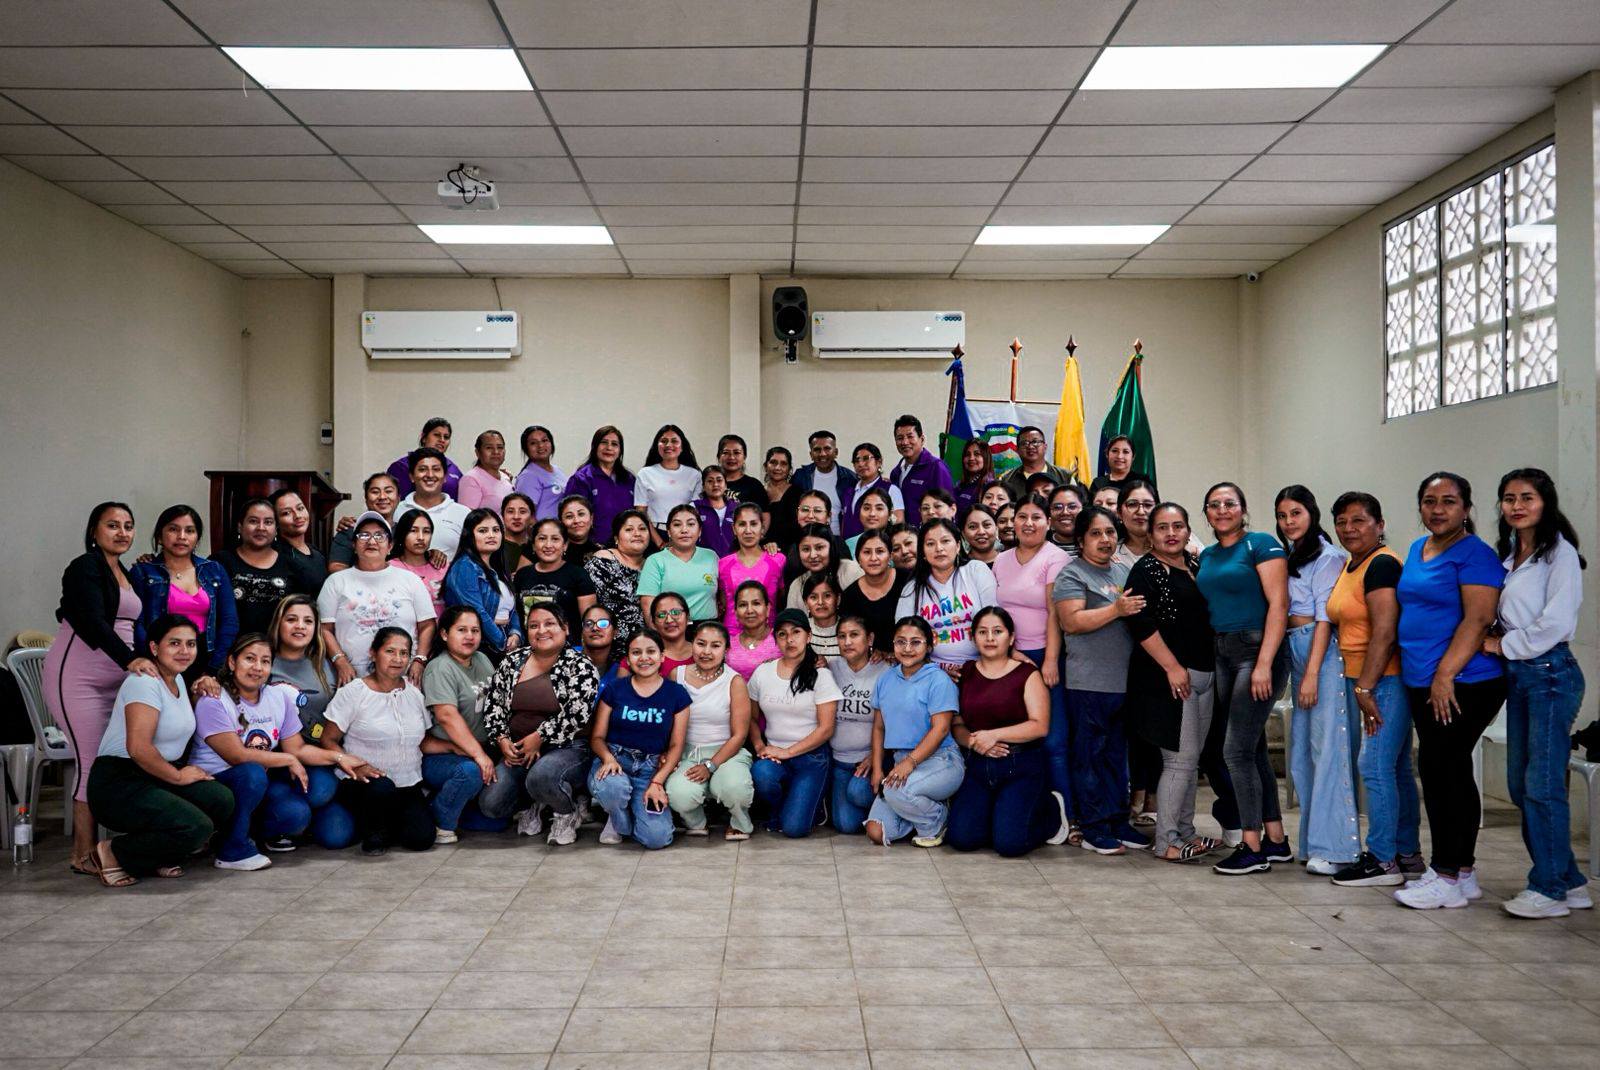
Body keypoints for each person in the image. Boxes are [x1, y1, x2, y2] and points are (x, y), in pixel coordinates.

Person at [1393, 472, 1507, 909]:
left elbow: (1478, 619)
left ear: (1466, 508)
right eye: (1429, 501)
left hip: (1464, 682)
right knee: (1446, 769)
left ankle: (1446, 876)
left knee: (1444, 769)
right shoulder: (1417, 549)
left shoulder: (1475, 554)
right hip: (1423, 679)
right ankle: (1462, 872)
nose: (1437, 509)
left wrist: (1444, 676)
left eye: (1448, 501)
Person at [1488, 468, 1591, 918]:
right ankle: (1570, 881)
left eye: (1527, 497)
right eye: (1509, 498)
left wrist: (1502, 645)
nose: (1517, 506)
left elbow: (1557, 621)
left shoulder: (1559, 553)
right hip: (1521, 676)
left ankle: (1547, 889)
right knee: (1520, 783)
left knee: (1542, 786)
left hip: (1550, 673)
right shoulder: (1511, 553)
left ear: (1545, 502)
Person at [83, 614, 233, 887]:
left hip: (155, 774)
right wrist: (178, 777)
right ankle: (114, 852)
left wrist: (199, 689)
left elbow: (174, 726)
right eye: (174, 643)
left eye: (190, 644)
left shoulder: (178, 680)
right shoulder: (144, 681)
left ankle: (158, 856)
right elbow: (138, 749)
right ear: (154, 647)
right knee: (196, 826)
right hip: (119, 781)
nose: (184, 651)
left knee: (220, 800)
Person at [46, 503, 153, 873]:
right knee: (91, 761)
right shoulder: (84, 567)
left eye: (128, 526)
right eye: (112, 525)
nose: (122, 532)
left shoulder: (126, 572)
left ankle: (119, 845)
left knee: (117, 760)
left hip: (117, 681)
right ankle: (82, 853)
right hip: (79, 678)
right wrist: (129, 660)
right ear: (94, 531)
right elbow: (93, 621)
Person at [1194, 482, 1291, 876]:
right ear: (1206, 513)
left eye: (1229, 503)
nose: (1222, 509)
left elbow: (1279, 605)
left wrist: (1265, 662)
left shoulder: (1261, 545)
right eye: (1213, 504)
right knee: (1252, 749)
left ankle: (1251, 846)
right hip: (1222, 651)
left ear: (1243, 508)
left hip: (1257, 650)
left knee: (1234, 751)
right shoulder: (1208, 555)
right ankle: (1276, 839)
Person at [1326, 492, 1423, 887]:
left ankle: (1383, 860)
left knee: (1375, 766)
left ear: (1379, 525)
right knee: (1395, 767)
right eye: (1342, 522)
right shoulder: (1355, 564)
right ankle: (1406, 854)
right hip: (1367, 678)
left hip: (1384, 679)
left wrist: (1366, 687)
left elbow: (1385, 631)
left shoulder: (1382, 564)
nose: (1349, 529)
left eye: (1359, 520)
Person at [190, 633, 342, 869]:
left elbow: (297, 748)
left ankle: (236, 833)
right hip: (214, 781)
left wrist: (340, 757)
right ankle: (233, 850)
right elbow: (237, 756)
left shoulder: (277, 696)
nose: (257, 667)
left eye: (265, 661)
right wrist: (287, 759)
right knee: (251, 772)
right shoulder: (214, 699)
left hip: (256, 783)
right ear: (232, 662)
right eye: (250, 659)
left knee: (295, 814)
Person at [1125, 502, 1221, 863]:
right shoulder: (1146, 570)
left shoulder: (1195, 566)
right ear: (1150, 534)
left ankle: (1186, 832)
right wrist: (1172, 667)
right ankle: (1166, 841)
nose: (1171, 533)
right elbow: (1140, 624)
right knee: (1179, 761)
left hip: (1203, 675)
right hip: (1168, 680)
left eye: (1177, 526)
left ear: (1188, 531)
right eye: (1162, 527)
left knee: (1191, 761)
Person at [1054, 505, 1149, 853]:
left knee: (1116, 758)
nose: (1105, 539)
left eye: (1110, 532)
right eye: (1095, 533)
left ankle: (1118, 821)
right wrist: (1115, 609)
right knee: (1089, 759)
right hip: (1088, 683)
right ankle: (1094, 827)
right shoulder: (1072, 575)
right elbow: (1071, 622)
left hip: (1125, 682)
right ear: (1081, 540)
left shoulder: (1124, 570)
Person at [1275, 485, 1358, 876]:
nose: (1288, 521)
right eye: (1282, 515)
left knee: (1329, 752)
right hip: (1298, 647)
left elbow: (1325, 618)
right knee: (1304, 757)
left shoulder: (1328, 557)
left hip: (1321, 655)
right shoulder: (1294, 554)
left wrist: (1310, 674)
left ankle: (1338, 849)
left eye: (1296, 513)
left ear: (1312, 513)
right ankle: (1313, 842)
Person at [478, 604, 601, 845]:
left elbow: (577, 714)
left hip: (568, 748)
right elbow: (494, 705)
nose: (541, 630)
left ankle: (567, 812)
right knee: (491, 804)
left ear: (565, 628)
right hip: (519, 749)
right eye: (534, 626)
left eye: (549, 624)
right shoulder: (512, 661)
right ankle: (532, 804)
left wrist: (540, 736)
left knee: (541, 777)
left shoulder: (580, 665)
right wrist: (502, 740)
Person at [948, 607, 1058, 856]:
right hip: (979, 765)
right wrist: (974, 742)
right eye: (982, 632)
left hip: (1020, 765)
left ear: (1011, 638)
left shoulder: (1027, 673)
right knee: (962, 839)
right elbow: (957, 725)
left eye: (997, 631)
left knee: (1010, 845)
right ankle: (1000, 816)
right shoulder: (966, 672)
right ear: (973, 637)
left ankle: (1051, 811)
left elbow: (1040, 725)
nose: (990, 638)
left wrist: (994, 735)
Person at [315, 628, 436, 854]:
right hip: (363, 782)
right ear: (373, 653)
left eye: (404, 653)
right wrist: (353, 765)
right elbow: (328, 739)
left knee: (421, 840)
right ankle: (373, 830)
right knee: (381, 790)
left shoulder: (414, 694)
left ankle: (387, 822)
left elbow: (423, 741)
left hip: (406, 782)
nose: (397, 659)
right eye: (390, 651)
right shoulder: (353, 692)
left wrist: (458, 748)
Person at [992, 496, 1070, 840]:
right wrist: (1010, 653)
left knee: (1054, 742)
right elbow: (996, 613)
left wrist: (1050, 660)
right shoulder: (1001, 559)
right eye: (1021, 516)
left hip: (1044, 656)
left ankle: (1068, 815)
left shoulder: (1056, 557)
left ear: (1048, 522)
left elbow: (1055, 612)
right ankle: (1029, 811)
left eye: (1036, 517)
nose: (1028, 523)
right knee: (1017, 741)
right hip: (1008, 660)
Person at [865, 615, 965, 847]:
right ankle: (920, 811)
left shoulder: (938, 680)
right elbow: (879, 727)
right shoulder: (885, 679)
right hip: (900, 762)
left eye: (916, 642)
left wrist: (910, 762)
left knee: (895, 792)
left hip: (941, 760)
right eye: (901, 642)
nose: (907, 648)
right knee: (876, 831)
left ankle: (937, 819)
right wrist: (878, 769)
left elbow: (940, 729)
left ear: (929, 646)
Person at [588, 628, 691, 849]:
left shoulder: (677, 694)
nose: (644, 658)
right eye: (636, 652)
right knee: (614, 789)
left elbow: (676, 745)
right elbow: (596, 737)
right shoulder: (615, 689)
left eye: (651, 651)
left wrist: (657, 782)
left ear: (662, 656)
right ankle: (617, 816)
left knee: (657, 838)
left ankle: (632, 810)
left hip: (649, 770)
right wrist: (607, 758)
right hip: (616, 761)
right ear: (628, 659)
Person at [748, 609, 841, 836]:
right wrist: (760, 747)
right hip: (774, 754)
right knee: (762, 774)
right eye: (782, 634)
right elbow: (750, 717)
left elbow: (826, 728)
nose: (789, 639)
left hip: (811, 757)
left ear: (808, 636)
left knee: (794, 829)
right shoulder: (763, 672)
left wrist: (788, 752)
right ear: (776, 639)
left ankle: (813, 804)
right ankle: (781, 807)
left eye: (796, 632)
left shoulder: (821, 676)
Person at [317, 511, 436, 687]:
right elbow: (324, 628)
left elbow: (427, 625)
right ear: (354, 545)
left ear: (390, 546)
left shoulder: (410, 580)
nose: (372, 541)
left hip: (402, 677)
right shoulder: (336, 581)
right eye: (364, 535)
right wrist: (339, 660)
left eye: (380, 536)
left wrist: (420, 660)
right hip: (351, 677)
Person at [665, 621, 757, 840]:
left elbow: (739, 735)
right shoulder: (677, 675)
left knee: (735, 788)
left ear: (726, 650)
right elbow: (668, 722)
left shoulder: (734, 681)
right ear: (692, 645)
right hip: (688, 753)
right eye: (701, 644)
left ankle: (740, 822)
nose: (706, 651)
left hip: (727, 753)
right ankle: (696, 821)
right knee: (679, 794)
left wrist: (710, 765)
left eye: (715, 646)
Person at [419, 608, 500, 843]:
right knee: (469, 773)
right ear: (445, 634)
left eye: (475, 630)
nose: (470, 636)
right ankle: (441, 822)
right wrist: (479, 756)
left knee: (497, 821)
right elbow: (447, 716)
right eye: (462, 630)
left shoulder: (482, 659)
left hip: (481, 749)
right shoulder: (439, 668)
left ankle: (453, 807)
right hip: (443, 755)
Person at [130, 504, 237, 676]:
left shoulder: (214, 570)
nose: (182, 537)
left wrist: (213, 669)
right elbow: (137, 622)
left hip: (206, 657)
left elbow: (229, 622)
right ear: (159, 536)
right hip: (161, 659)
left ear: (197, 538)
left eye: (189, 531)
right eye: (173, 529)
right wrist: (150, 659)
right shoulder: (143, 572)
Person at [896, 518, 998, 673]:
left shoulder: (976, 570)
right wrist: (935, 671)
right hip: (931, 671)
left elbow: (996, 621)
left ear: (958, 546)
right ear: (923, 552)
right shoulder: (912, 589)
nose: (939, 548)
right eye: (930, 544)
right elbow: (903, 637)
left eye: (945, 541)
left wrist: (981, 667)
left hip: (983, 666)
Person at [217, 498, 318, 636]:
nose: (261, 528)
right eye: (253, 521)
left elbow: (304, 613)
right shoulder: (220, 563)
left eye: (268, 522)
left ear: (276, 529)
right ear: (240, 526)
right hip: (230, 645)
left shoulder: (293, 567)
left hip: (276, 647)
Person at [828, 615, 889, 834]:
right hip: (839, 762)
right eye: (841, 636)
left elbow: (892, 722)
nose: (847, 642)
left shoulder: (885, 670)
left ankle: (891, 807)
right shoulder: (830, 668)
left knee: (858, 793)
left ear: (869, 639)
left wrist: (876, 756)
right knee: (846, 825)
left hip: (870, 759)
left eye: (854, 635)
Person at [443, 508, 523, 659]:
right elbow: (477, 612)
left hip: (503, 645)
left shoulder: (498, 568)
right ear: (469, 535)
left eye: (496, 530)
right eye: (483, 531)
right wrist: (503, 642)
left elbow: (512, 610)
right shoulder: (465, 566)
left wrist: (515, 634)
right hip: (480, 648)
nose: (491, 535)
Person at [267, 595, 336, 742]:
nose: (300, 626)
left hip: (322, 750)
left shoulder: (329, 665)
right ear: (278, 623)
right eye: (291, 619)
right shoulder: (262, 663)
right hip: (271, 749)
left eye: (308, 621)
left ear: (316, 628)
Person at [639, 504, 720, 623]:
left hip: (709, 629)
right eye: (677, 525)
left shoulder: (711, 557)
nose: (684, 530)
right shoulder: (655, 561)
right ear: (668, 532)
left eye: (691, 524)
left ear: (700, 531)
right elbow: (648, 608)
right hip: (669, 628)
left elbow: (723, 597)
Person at [515, 518, 599, 631]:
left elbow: (590, 622)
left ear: (565, 545)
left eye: (555, 539)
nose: (548, 545)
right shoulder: (522, 575)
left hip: (569, 641)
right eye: (542, 538)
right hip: (529, 641)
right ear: (533, 545)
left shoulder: (578, 575)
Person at [585, 508, 651, 648]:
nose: (637, 534)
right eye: (629, 529)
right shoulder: (603, 561)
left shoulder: (654, 565)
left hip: (646, 645)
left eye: (642, 529)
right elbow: (588, 608)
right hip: (608, 644)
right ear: (616, 538)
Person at [567, 425, 637, 548]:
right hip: (593, 547)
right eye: (604, 442)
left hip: (626, 546)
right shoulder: (582, 479)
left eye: (614, 444)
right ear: (595, 446)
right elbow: (572, 517)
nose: (609, 448)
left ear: (620, 450)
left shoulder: (628, 479)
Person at [718, 502, 786, 630]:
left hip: (768, 635)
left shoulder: (778, 560)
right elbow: (723, 604)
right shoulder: (723, 564)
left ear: (762, 528)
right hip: (732, 635)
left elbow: (781, 599)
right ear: (734, 529)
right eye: (742, 524)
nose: (748, 530)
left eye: (754, 524)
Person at [394, 447, 470, 558]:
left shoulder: (463, 513)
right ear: (411, 476)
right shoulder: (397, 510)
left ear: (445, 476)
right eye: (422, 469)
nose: (430, 475)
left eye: (436, 469)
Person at [635, 423, 703, 547]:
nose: (668, 445)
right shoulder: (645, 474)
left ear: (682, 447)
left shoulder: (695, 475)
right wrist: (659, 542)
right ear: (657, 446)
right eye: (664, 441)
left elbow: (696, 510)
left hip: (685, 534)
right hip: (653, 534)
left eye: (674, 441)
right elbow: (641, 512)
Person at [840, 530, 903, 656]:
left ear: (890, 556)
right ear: (858, 558)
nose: (873, 558)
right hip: (871, 660)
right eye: (867, 552)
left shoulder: (907, 582)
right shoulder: (850, 596)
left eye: (880, 551)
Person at [330, 473, 402, 573]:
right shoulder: (349, 529)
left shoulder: (405, 531)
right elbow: (336, 566)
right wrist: (366, 579)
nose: (382, 496)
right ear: (366, 498)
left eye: (388, 491)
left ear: (398, 498)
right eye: (375, 492)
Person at [890, 414, 954, 524]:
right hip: (902, 533)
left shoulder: (936, 467)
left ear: (922, 439)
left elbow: (946, 509)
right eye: (900, 438)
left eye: (910, 436)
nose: (905, 442)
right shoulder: (896, 473)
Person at [793, 430, 858, 537]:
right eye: (817, 449)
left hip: (840, 540)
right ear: (811, 454)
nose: (822, 454)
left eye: (827, 448)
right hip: (807, 539)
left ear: (836, 452)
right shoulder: (801, 476)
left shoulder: (850, 478)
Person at [786, 523, 864, 610]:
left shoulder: (851, 570)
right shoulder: (797, 585)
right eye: (806, 549)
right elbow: (792, 618)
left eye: (819, 548)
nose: (813, 555)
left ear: (831, 548)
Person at [386, 416, 462, 499]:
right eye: (437, 435)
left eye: (446, 437)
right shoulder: (401, 466)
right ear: (424, 437)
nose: (442, 440)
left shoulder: (454, 469)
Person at [842, 441, 906, 537]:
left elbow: (898, 524)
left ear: (879, 462)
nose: (861, 464)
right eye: (856, 460)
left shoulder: (891, 489)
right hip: (849, 544)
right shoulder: (849, 491)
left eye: (866, 458)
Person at [390, 510, 446, 618]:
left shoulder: (441, 565)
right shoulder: (390, 568)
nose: (421, 537)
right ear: (402, 534)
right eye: (413, 531)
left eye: (426, 531)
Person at [271, 489, 328, 587]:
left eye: (300, 508)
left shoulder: (316, 552)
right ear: (275, 521)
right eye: (287, 513)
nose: (297, 516)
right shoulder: (276, 556)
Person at [728, 581, 781, 681]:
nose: (750, 610)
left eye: (756, 603)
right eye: (743, 605)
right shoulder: (728, 644)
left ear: (768, 609)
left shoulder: (781, 640)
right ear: (736, 612)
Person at [1000, 426, 1071, 502]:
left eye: (1035, 442)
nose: (1030, 447)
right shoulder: (1007, 480)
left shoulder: (1065, 476)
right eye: (1024, 443)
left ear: (1045, 447)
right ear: (1017, 450)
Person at [513, 424, 566, 520]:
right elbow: (526, 517)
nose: (540, 445)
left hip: (558, 528)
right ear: (526, 449)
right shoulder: (528, 476)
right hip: (543, 529)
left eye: (544, 440)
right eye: (533, 443)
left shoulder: (558, 470)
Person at [716, 433, 770, 523]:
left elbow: (765, 517)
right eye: (726, 453)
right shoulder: (710, 483)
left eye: (737, 453)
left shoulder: (754, 485)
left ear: (744, 456)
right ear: (718, 457)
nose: (731, 457)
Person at [457, 429, 514, 512]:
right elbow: (467, 516)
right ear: (478, 452)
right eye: (489, 448)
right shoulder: (471, 479)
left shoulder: (505, 477)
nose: (496, 452)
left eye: (500, 447)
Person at [644, 591, 697, 678]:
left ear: (687, 617)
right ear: (653, 622)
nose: (669, 620)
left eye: (676, 613)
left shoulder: (704, 653)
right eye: (661, 615)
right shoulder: (643, 657)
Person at [694, 465, 738, 557]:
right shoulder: (695, 507)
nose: (715, 484)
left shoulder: (737, 508)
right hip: (703, 560)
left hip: (732, 561)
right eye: (710, 481)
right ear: (703, 486)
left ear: (726, 485)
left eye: (719, 480)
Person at [763, 446, 802, 548]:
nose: (777, 468)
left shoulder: (798, 494)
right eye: (773, 462)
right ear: (765, 466)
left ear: (789, 469)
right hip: (760, 550)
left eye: (783, 464)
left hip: (790, 551)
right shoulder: (757, 491)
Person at [1114, 479, 1159, 565]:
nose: (1141, 512)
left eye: (1148, 505)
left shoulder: (1172, 548)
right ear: (1119, 512)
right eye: (1132, 504)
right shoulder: (1111, 555)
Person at [580, 603, 624, 690]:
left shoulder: (621, 671)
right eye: (588, 624)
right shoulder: (566, 657)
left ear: (615, 632)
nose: (595, 628)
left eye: (603, 623)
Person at [844, 487, 896, 556]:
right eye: (867, 508)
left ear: (890, 514)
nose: (872, 514)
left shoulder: (898, 543)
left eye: (879, 508)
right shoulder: (848, 545)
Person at [802, 572, 843, 658]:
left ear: (838, 599)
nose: (820, 602)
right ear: (806, 603)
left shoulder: (849, 629)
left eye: (827, 596)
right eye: (813, 597)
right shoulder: (800, 631)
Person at [1089, 434, 1139, 499]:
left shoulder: (1141, 483)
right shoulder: (1098, 484)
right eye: (1115, 451)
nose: (1119, 456)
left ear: (1133, 456)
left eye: (1125, 452)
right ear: (1107, 454)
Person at [954, 439, 995, 517]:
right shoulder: (959, 486)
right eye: (967, 454)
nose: (971, 458)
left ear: (986, 458)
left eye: (977, 454)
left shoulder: (990, 486)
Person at [558, 494, 603, 564]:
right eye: (569, 516)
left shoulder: (602, 552)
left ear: (591, 519)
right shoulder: (554, 553)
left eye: (581, 514)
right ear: (561, 522)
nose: (576, 521)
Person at [501, 492, 537, 573]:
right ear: (503, 516)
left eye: (522, 512)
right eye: (510, 511)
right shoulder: (493, 546)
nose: (516, 517)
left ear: (532, 517)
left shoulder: (538, 547)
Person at [1046, 484, 1085, 554]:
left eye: (1072, 506)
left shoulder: (1096, 545)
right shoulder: (1038, 548)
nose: (1065, 512)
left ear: (1083, 509)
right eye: (1057, 507)